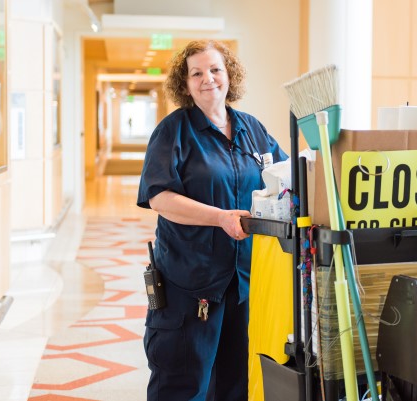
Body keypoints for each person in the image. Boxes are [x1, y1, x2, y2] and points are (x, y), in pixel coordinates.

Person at [137, 40, 287, 401]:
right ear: (185, 84)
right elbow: (160, 197)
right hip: (191, 282)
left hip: (244, 282)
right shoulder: (174, 131)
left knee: (236, 383)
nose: (208, 79)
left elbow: (285, 176)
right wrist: (219, 217)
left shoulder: (252, 129)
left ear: (229, 74)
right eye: (197, 73)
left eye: (215, 69)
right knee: (184, 384)